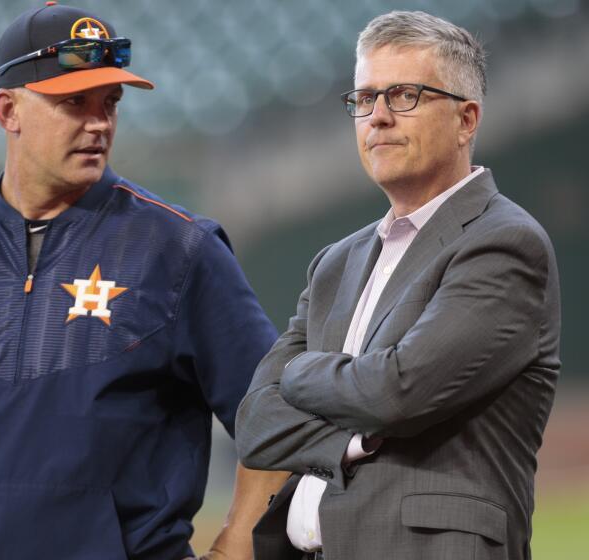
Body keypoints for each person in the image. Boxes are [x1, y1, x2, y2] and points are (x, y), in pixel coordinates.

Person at [0, 3, 288, 559]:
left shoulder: (179, 248)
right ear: (8, 110)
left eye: (110, 103)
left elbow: (276, 420)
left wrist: (236, 547)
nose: (99, 123)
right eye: (74, 103)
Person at [235, 10, 560, 560]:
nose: (378, 117)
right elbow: (255, 425)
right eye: (364, 99)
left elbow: (397, 391)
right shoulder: (335, 262)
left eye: (404, 95)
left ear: (466, 119)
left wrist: (298, 372)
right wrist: (353, 439)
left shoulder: (504, 244)